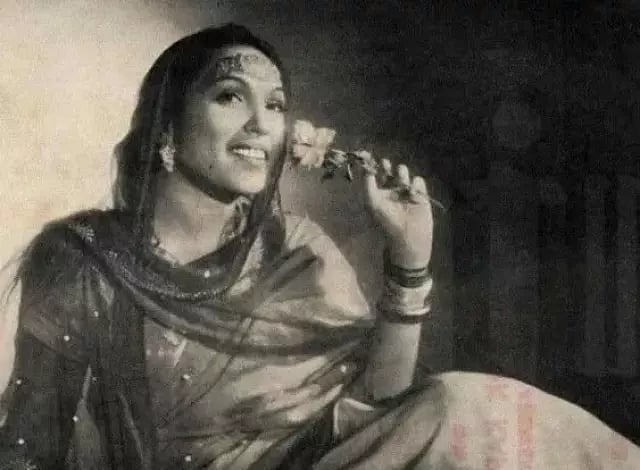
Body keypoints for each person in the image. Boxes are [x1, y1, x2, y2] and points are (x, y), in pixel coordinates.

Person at [0, 23, 638, 470]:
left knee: (460, 407)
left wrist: (409, 258)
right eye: (231, 96)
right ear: (167, 128)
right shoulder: (87, 259)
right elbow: (28, 446)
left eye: (276, 105)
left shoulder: (298, 250)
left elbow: (377, 411)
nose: (262, 124)